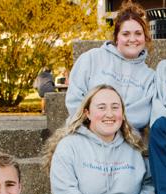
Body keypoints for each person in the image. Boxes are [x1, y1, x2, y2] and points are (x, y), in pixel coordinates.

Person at [65, 1, 155, 132]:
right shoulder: (91, 58)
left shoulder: (150, 77)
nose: (132, 39)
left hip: (124, 140)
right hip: (85, 132)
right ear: (117, 37)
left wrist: (111, 130)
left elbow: (141, 116)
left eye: (138, 33)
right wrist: (95, 127)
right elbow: (74, 99)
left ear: (145, 37)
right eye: (125, 34)